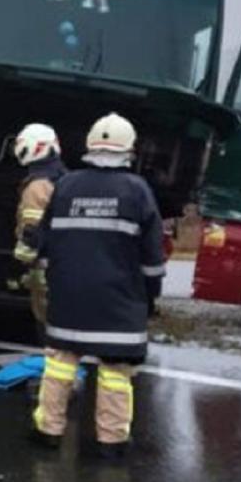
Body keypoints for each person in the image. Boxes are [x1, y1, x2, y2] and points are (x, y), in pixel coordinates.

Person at [32, 112, 165, 459]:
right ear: (129, 151)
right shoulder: (137, 191)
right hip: (118, 302)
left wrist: (54, 282)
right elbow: (151, 258)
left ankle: (49, 430)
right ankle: (111, 441)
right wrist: (150, 297)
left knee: (60, 364)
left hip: (69, 298)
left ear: (90, 146)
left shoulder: (66, 186)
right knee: (115, 373)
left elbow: (44, 246)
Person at [9, 123, 67, 335]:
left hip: (45, 268)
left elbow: (31, 233)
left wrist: (17, 265)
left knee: (48, 327)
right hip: (67, 264)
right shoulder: (66, 180)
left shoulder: (36, 186)